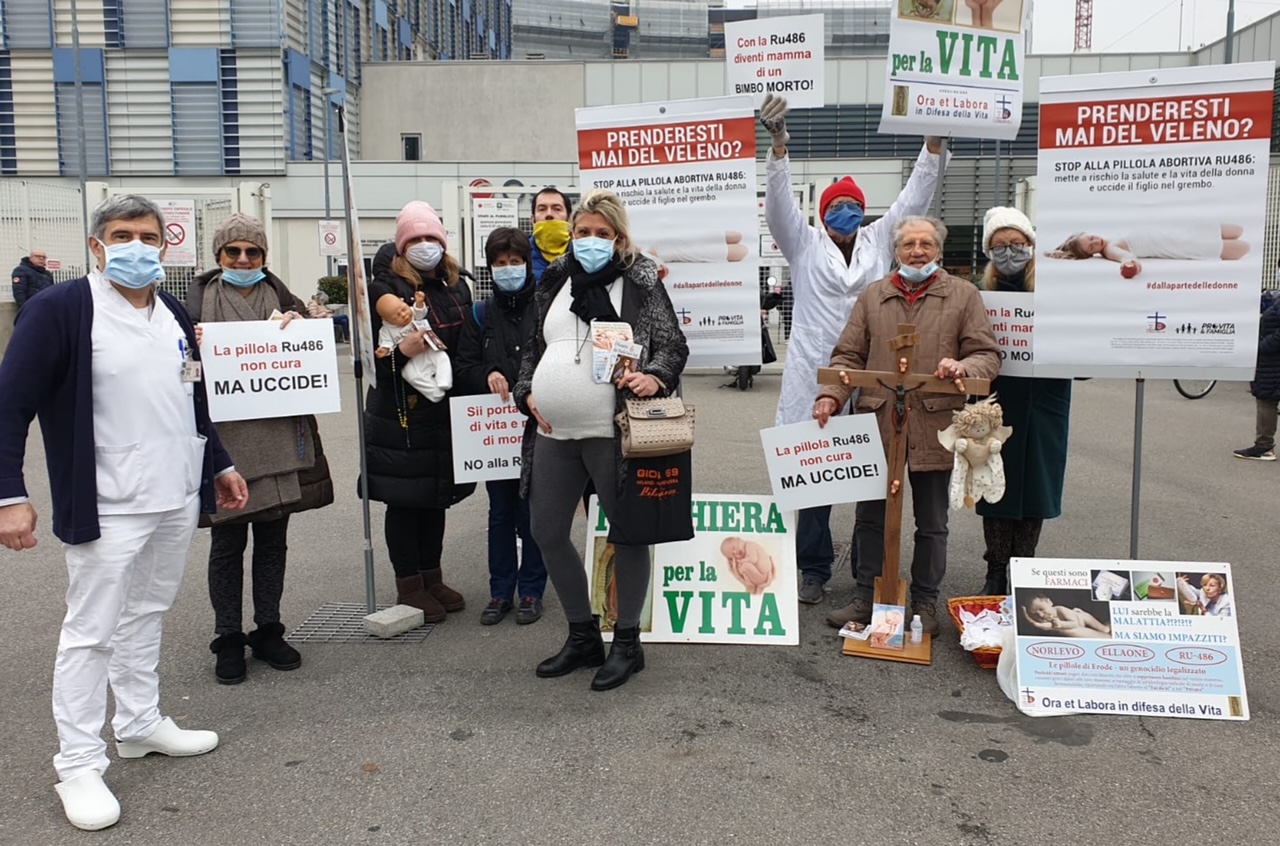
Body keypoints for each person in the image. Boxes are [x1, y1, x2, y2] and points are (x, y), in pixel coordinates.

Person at [0, 195, 249, 831]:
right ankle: (79, 764)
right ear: (96, 245)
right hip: (108, 502)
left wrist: (217, 463)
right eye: (121, 235)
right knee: (91, 631)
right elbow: (9, 406)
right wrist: (9, 494)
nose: (137, 247)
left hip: (170, 495)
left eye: (148, 236)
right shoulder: (58, 310)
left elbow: (190, 395)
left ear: (165, 247)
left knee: (148, 613)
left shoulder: (169, 309)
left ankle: (138, 723)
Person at [759, 92, 949, 605]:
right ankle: (813, 568)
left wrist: (932, 146)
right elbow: (778, 209)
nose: (846, 211)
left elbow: (914, 202)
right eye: (836, 206)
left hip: (873, 370)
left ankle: (869, 573)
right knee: (814, 471)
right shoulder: (802, 243)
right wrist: (778, 147)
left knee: (871, 469)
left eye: (854, 205)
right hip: (815, 370)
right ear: (822, 214)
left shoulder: (879, 240)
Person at [514, 188, 689, 691]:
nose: (591, 241)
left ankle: (628, 643)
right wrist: (526, 392)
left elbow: (672, 346)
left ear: (618, 237)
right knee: (545, 531)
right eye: (583, 232)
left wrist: (653, 377)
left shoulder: (640, 282)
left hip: (616, 432)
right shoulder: (552, 281)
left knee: (628, 533)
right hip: (554, 431)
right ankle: (582, 634)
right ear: (571, 235)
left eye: (602, 234)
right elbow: (532, 348)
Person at [814, 216, 1000, 636]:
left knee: (932, 521)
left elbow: (986, 354)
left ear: (938, 249)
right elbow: (847, 356)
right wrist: (830, 397)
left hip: (935, 422)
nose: (917, 251)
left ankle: (925, 602)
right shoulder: (873, 295)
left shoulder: (963, 295)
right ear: (895, 251)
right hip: (879, 421)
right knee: (870, 517)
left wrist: (962, 365)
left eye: (926, 244)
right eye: (909, 244)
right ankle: (867, 595)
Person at [185, 214, 335, 685]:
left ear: (265, 256)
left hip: (279, 438)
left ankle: (268, 628)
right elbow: (178, 375)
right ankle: (228, 636)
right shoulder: (193, 302)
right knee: (227, 543)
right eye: (234, 252)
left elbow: (313, 358)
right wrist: (190, 352)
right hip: (225, 443)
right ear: (219, 257)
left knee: (273, 539)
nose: (244, 259)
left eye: (253, 252)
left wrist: (310, 326)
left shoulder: (284, 300)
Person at [361, 201, 475, 622]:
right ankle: (408, 584)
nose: (424, 246)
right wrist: (400, 356)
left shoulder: (455, 284)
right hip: (401, 412)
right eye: (415, 239)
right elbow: (371, 361)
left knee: (434, 497)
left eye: (431, 238)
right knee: (405, 500)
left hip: (442, 408)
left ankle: (432, 576)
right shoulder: (383, 290)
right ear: (400, 245)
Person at [975, 207, 1072, 594]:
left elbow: (1081, 352)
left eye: (1017, 244)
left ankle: (1023, 569)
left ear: (1031, 245)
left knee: (1036, 488)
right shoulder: (980, 295)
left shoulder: (1058, 295)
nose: (1009, 252)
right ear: (989, 252)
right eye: (1000, 246)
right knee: (997, 487)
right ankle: (995, 570)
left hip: (1046, 404)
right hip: (997, 404)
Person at [455, 226, 548, 626]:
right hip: (494, 432)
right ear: (489, 268)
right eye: (500, 263)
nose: (508, 269)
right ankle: (499, 592)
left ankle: (531, 591)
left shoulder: (546, 307)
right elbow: (463, 366)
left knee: (533, 512)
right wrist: (488, 372)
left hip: (539, 425)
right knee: (499, 512)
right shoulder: (479, 313)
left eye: (515, 262)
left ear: (528, 264)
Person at [1045, 225, 1248, 277]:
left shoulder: (1111, 235)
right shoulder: (1110, 249)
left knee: (1237, 230)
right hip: (1182, 244)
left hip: (1181, 230)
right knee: (1244, 247)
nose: (1095, 241)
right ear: (1091, 254)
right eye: (1091, 247)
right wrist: (1129, 265)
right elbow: (1125, 257)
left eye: (1091, 238)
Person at [1234, 279, 1280, 461]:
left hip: (1272, 359)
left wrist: (1260, 346)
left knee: (1266, 400)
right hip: (1271, 360)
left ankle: (1264, 446)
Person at [530, 187, 573, 283]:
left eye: (557, 209)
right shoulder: (520, 255)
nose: (549, 214)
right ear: (533, 220)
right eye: (542, 209)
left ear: (569, 219)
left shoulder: (583, 254)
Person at [1021, 595, 1111, 637]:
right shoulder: (1044, 618)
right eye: (1035, 613)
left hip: (1080, 620)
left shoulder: (1060, 610)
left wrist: (1061, 624)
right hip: (1075, 628)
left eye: (1041, 609)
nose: (1040, 615)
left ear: (1049, 602)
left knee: (1087, 617)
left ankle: (1103, 628)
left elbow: (1074, 624)